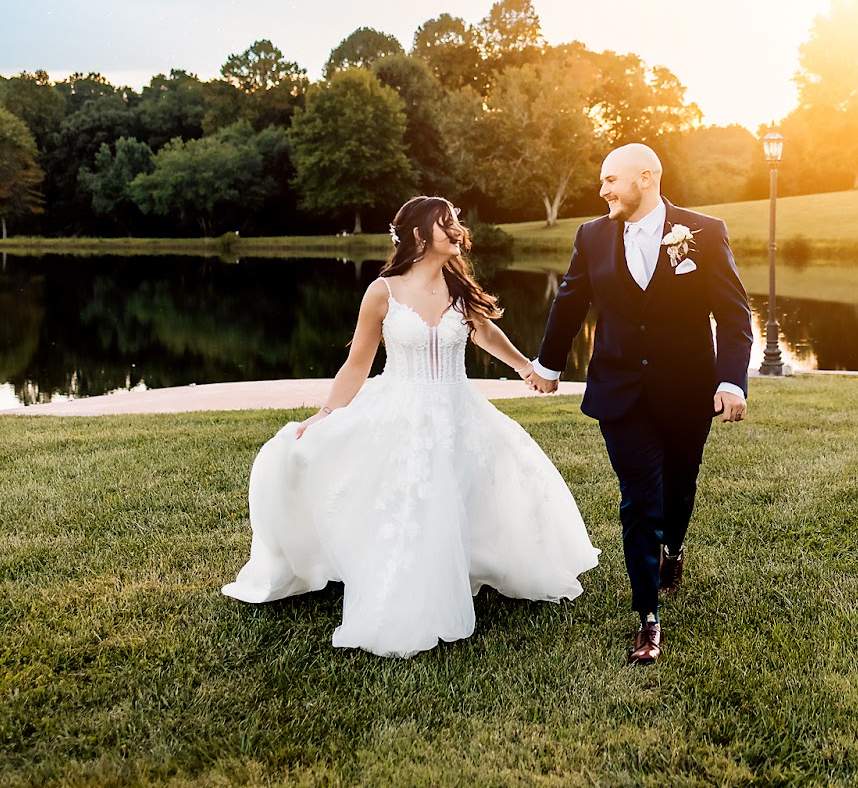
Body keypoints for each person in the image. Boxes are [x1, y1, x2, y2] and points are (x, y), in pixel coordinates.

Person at [222, 196, 599, 658]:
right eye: (447, 223)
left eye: (456, 221)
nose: (458, 230)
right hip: (399, 408)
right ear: (419, 235)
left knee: (490, 477)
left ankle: (469, 562)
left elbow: (484, 331)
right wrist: (326, 413)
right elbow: (357, 363)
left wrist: (526, 367)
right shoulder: (383, 292)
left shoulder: (458, 288)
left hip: (459, 407)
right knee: (407, 495)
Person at [526, 143, 753, 664]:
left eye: (611, 179)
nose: (602, 189)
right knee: (638, 501)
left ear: (645, 178)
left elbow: (733, 314)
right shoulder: (591, 236)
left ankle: (674, 549)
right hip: (620, 391)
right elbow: (570, 302)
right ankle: (648, 617)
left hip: (688, 389)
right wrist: (549, 366)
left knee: (679, 485)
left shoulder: (704, 232)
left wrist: (731, 382)